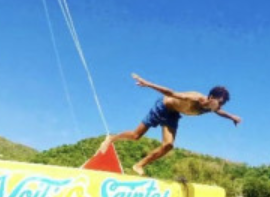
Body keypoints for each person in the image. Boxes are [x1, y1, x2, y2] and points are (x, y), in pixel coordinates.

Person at [98, 73, 242, 176]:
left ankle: (139, 165)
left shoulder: (213, 107)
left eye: (222, 104)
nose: (220, 106)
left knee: (168, 145)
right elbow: (171, 92)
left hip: (173, 115)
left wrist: (232, 117)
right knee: (136, 136)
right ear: (210, 97)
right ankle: (111, 138)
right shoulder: (194, 98)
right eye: (219, 102)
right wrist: (147, 84)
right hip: (162, 107)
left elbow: (220, 112)